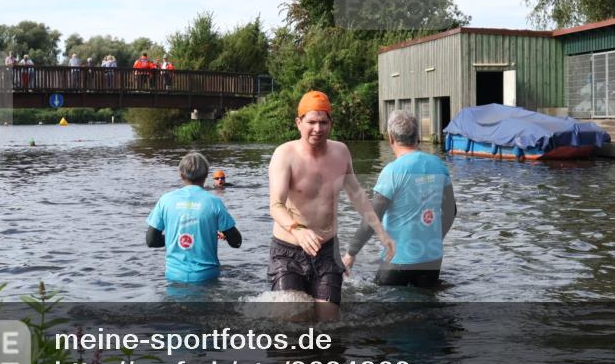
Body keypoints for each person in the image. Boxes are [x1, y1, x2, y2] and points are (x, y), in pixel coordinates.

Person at [268, 90, 395, 319]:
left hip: (326, 250)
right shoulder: (284, 155)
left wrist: (381, 232)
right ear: (299, 123)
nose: (317, 128)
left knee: (329, 321)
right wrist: (298, 229)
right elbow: (276, 205)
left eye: (323, 122)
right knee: (291, 320)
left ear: (331, 123)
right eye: (311, 122)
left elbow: (357, 195)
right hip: (288, 251)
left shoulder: (341, 152)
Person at [343, 110, 456, 287]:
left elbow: (372, 219)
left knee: (388, 309)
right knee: (428, 309)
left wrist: (351, 253)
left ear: (390, 138)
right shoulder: (439, 165)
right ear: (417, 136)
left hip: (399, 260)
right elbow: (451, 211)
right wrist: (435, 239)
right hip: (433, 260)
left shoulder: (393, 171)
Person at [146, 151, 243, 283]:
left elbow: (151, 241)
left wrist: (174, 237)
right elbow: (236, 242)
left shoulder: (165, 200)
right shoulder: (214, 202)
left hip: (174, 277)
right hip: (207, 277)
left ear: (181, 175)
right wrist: (207, 235)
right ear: (206, 175)